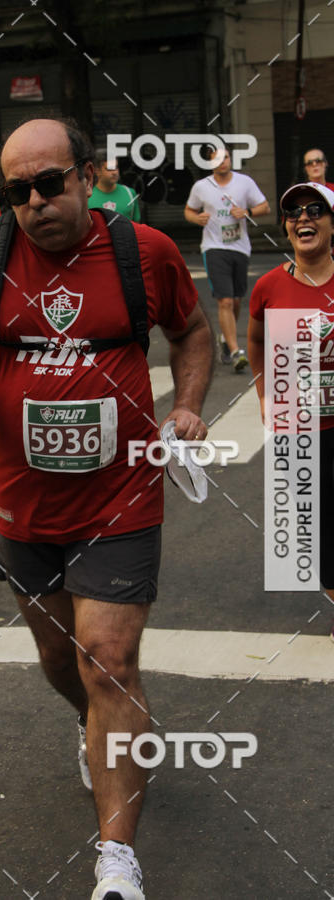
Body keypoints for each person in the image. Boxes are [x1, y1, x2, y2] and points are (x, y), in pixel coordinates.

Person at [0, 116, 213, 900]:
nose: (36, 202)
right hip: (25, 505)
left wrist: (186, 406)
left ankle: (117, 860)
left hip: (122, 496)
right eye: (19, 191)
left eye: (50, 183)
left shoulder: (144, 252)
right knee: (60, 659)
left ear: (85, 174)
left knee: (107, 659)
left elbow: (191, 332)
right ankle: (102, 724)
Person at [248, 181, 334, 639]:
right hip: (299, 428)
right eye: (294, 212)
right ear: (285, 226)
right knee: (316, 528)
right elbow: (256, 340)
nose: (304, 218)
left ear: (332, 223)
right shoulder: (269, 286)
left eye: (316, 210)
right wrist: (265, 393)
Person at [185, 146, 270, 370]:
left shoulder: (244, 182)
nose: (223, 162)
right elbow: (189, 211)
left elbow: (265, 207)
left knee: (236, 300)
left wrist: (247, 212)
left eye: (226, 158)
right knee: (225, 301)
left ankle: (225, 338)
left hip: (240, 248)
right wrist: (197, 219)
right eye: (218, 159)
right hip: (213, 247)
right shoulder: (201, 187)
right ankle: (235, 351)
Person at [88, 151, 141, 222]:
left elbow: (137, 224)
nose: (115, 172)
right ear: (97, 171)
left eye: (116, 167)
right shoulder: (87, 196)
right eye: (109, 169)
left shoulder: (130, 193)